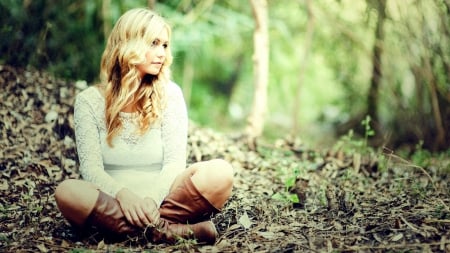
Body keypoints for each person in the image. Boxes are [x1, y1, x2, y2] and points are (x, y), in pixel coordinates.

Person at [54, 8, 234, 245]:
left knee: (221, 173)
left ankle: (134, 229)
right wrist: (125, 197)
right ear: (128, 44)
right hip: (113, 201)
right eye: (153, 43)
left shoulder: (171, 94)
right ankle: (168, 231)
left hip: (165, 200)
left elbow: (174, 163)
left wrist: (150, 200)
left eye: (165, 45)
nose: (161, 53)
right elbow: (91, 170)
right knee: (67, 192)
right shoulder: (89, 101)